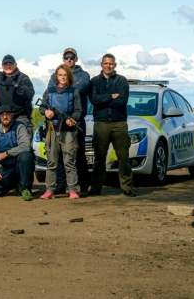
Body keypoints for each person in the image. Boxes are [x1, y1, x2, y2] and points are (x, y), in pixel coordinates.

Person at [88, 53, 135, 197]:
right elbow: (94, 100)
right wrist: (110, 96)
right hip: (101, 123)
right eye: (106, 63)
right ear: (101, 64)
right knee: (99, 157)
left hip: (119, 122)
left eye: (111, 63)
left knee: (123, 157)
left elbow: (122, 101)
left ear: (115, 65)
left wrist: (104, 100)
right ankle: (96, 188)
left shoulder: (122, 81)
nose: (108, 66)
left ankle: (127, 188)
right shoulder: (94, 81)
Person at [48, 48, 91, 193]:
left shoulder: (84, 75)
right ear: (63, 58)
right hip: (58, 122)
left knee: (78, 154)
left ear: (76, 59)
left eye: (72, 57)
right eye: (66, 57)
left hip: (77, 120)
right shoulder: (55, 75)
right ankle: (61, 185)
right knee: (58, 155)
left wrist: (64, 88)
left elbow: (80, 88)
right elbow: (50, 92)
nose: (69, 59)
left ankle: (84, 185)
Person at [39, 64, 83, 200]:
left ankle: (73, 190)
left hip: (68, 131)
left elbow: (78, 111)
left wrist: (72, 119)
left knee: (69, 161)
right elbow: (42, 107)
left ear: (68, 76)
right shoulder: (49, 91)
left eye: (65, 75)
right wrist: (46, 112)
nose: (62, 77)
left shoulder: (73, 92)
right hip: (52, 130)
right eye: (60, 75)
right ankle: (49, 190)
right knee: (51, 162)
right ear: (56, 76)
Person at [0, 104, 34, 201]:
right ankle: (16, 184)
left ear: (12, 115)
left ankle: (25, 189)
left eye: (7, 114)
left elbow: (25, 146)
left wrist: (6, 153)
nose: (5, 117)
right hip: (7, 168)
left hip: (21, 165)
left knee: (25, 156)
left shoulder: (19, 127)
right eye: (2, 115)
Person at [0, 55, 35, 136]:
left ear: (15, 65)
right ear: (2, 65)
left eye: (10, 64)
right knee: (5, 144)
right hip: (4, 117)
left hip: (20, 116)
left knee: (25, 142)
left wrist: (17, 86)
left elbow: (30, 94)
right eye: (5, 64)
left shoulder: (23, 78)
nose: (8, 66)